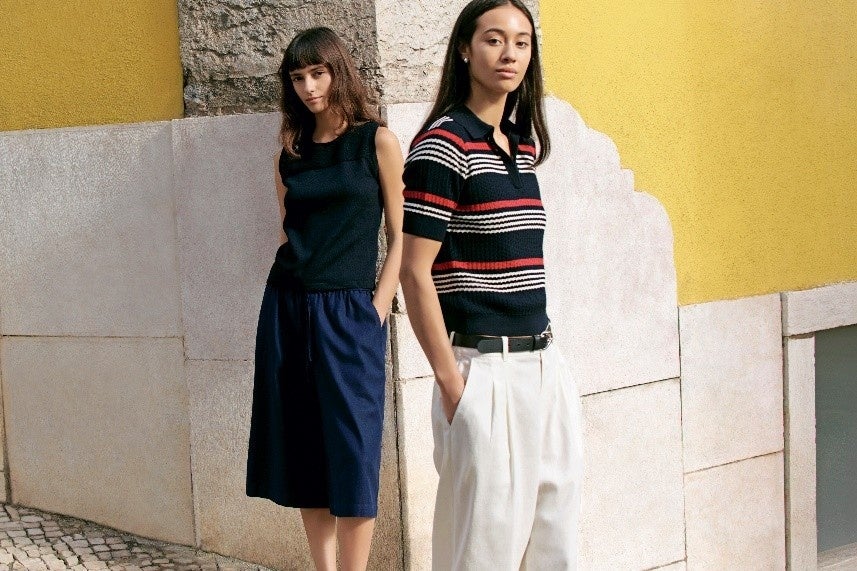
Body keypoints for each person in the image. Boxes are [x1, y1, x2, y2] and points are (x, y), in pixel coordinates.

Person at [399, 1, 584, 568]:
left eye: (522, 42)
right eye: (494, 39)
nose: (510, 54)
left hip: (544, 367)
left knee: (554, 549)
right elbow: (413, 270)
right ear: (465, 49)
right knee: (483, 554)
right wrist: (452, 383)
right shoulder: (443, 145)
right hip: (485, 370)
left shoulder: (520, 145)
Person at [246, 26, 404, 571]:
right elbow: (287, 232)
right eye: (298, 77)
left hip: (350, 312)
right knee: (305, 451)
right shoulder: (288, 155)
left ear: (339, 72)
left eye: (318, 73)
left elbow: (401, 236)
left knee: (354, 449)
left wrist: (376, 309)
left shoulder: (376, 142)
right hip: (288, 309)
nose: (310, 87)